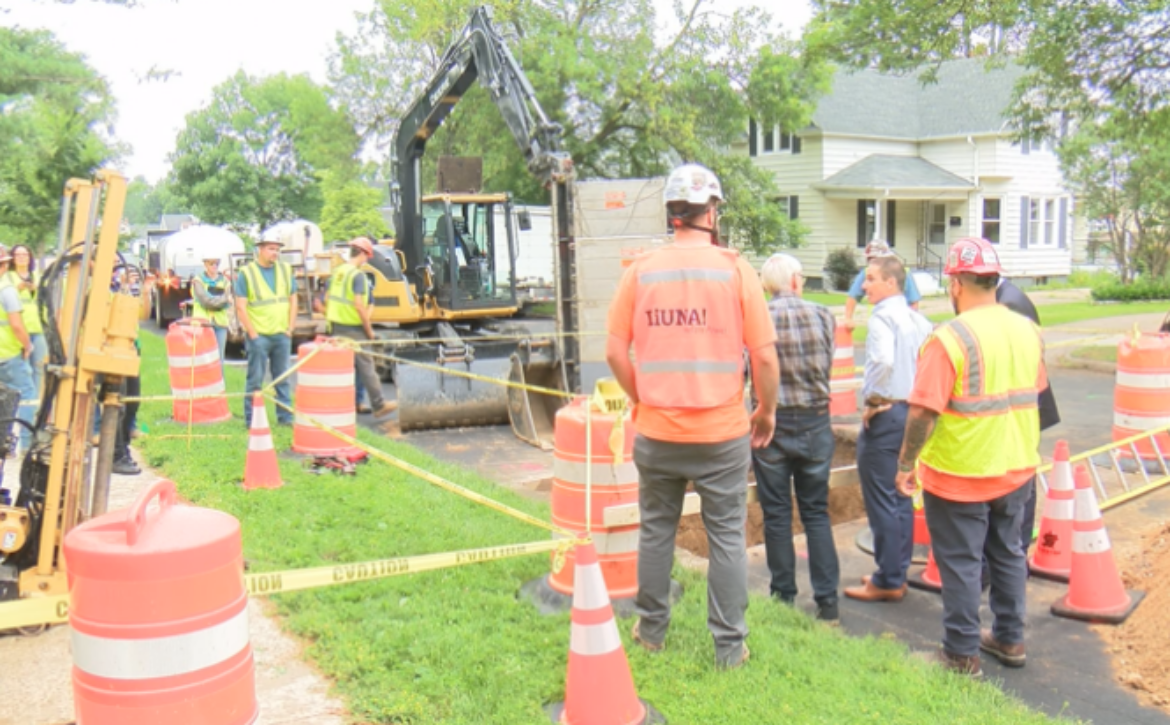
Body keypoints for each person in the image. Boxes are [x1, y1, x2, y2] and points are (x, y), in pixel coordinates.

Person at [605, 163, 779, 669]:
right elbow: (765, 357)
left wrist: (641, 399)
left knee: (656, 530)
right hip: (722, 433)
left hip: (657, 432)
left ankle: (652, 631)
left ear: (671, 214)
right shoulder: (734, 269)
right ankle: (729, 647)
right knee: (725, 535)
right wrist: (765, 410)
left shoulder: (641, 270)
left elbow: (616, 351)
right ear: (712, 211)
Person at [895, 237, 1045, 676]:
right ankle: (1010, 638)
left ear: (956, 284)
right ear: (994, 281)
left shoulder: (950, 338)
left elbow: (923, 409)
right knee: (1009, 553)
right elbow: (1032, 390)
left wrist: (905, 465)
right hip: (1016, 467)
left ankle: (961, 654)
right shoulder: (1028, 330)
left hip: (960, 473)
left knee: (961, 562)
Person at [750, 252, 841, 622]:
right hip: (816, 421)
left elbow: (747, 368)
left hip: (771, 425)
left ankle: (782, 597)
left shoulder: (757, 321)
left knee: (776, 515)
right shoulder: (823, 315)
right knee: (816, 513)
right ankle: (828, 603)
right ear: (796, 280)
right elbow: (828, 360)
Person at [845, 255, 933, 603]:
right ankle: (893, 570)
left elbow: (882, 361)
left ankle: (888, 579)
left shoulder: (883, 318)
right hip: (912, 413)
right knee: (901, 494)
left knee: (881, 497)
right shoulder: (918, 320)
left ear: (890, 283)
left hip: (889, 412)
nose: (864, 286)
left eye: (870, 279)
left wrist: (873, 400)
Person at [996, 278, 1061, 551]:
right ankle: (1015, 546)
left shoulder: (1009, 304)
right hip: (1025, 403)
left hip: (1022, 406)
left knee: (1021, 478)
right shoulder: (1009, 297)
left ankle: (1017, 546)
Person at [326, 237, 397, 419]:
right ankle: (379, 404)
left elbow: (325, 300)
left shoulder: (338, 272)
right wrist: (369, 330)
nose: (367, 260)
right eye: (368, 256)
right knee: (367, 367)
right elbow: (359, 305)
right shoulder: (358, 276)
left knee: (343, 369)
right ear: (363, 254)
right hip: (354, 328)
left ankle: (342, 405)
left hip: (336, 327)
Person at [235, 231, 296, 428]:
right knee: (255, 381)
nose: (275, 253)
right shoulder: (247, 273)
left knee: (283, 379)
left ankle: (285, 419)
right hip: (259, 336)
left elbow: (293, 298)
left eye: (277, 250)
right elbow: (240, 306)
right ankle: (252, 420)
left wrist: (290, 327)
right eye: (271, 249)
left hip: (281, 334)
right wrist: (252, 334)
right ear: (260, 249)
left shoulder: (285, 270)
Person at [0, 245, 37, 453]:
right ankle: (26, 443)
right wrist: (27, 345)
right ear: (5, 264)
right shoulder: (6, 291)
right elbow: (15, 324)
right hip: (8, 354)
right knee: (27, 395)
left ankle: (3, 445)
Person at [843, 239, 921, 330]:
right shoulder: (866, 273)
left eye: (872, 259)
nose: (870, 262)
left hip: (900, 325)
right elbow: (853, 296)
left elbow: (914, 302)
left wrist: (910, 323)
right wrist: (848, 318)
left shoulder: (904, 273)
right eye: (868, 259)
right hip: (877, 323)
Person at [7, 245, 46, 396]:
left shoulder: (37, 275)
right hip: (18, 328)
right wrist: (18, 288)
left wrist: (36, 289)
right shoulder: (8, 277)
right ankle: (18, 401)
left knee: (38, 367)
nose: (22, 257)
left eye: (25, 254)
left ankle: (34, 403)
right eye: (18, 255)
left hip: (37, 327)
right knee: (21, 368)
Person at [191, 255, 232, 367]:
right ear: (205, 264)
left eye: (217, 263)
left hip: (220, 325)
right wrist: (222, 301)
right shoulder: (198, 281)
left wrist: (214, 300)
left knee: (219, 360)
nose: (214, 266)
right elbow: (205, 301)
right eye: (211, 263)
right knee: (203, 359)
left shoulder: (225, 282)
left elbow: (228, 298)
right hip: (203, 324)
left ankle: (220, 384)